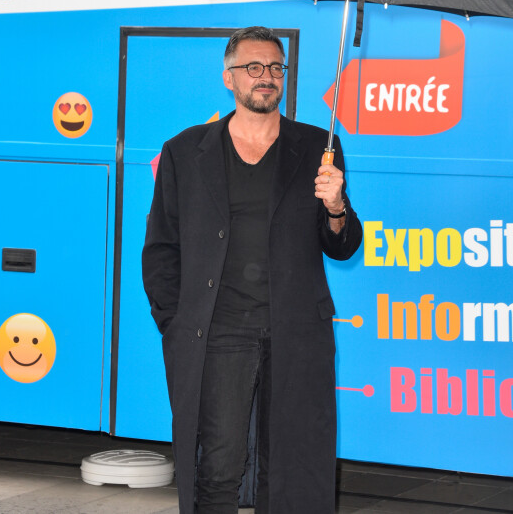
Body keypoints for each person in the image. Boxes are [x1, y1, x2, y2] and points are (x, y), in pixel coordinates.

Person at [142, 26, 362, 514]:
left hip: (296, 334)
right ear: (229, 78)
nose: (266, 77)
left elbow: (342, 246)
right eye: (254, 68)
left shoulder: (318, 147)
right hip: (217, 335)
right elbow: (161, 249)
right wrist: (178, 324)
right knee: (218, 471)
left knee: (291, 474)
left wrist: (336, 205)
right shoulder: (185, 151)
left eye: (276, 68)